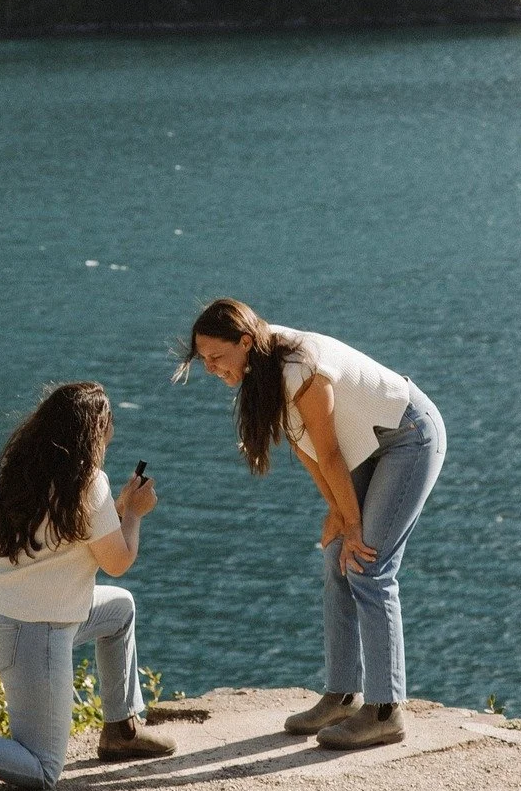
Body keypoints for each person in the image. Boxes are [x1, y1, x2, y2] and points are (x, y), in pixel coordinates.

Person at [178, 298, 445, 750]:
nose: (209, 367)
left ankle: (385, 710)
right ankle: (342, 695)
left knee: (368, 564)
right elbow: (308, 451)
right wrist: (339, 514)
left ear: (244, 342)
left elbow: (332, 453)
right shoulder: (261, 364)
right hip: (366, 446)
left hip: (408, 438)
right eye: (203, 359)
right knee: (336, 557)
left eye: (215, 357)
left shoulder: (298, 368)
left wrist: (353, 523)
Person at [0, 380, 174, 791]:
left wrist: (114, 510)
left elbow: (67, 538)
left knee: (119, 610)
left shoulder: (26, 471)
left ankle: (122, 729)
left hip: (12, 614)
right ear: (93, 432)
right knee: (43, 769)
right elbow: (117, 561)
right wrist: (133, 514)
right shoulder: (86, 482)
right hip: (36, 630)